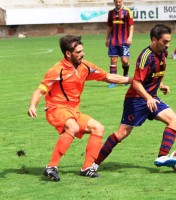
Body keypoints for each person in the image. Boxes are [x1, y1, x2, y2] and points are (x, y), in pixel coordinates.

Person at [27, 35, 132, 182]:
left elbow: (108, 77)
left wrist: (133, 80)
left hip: (73, 111)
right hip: (56, 109)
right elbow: (40, 90)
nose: (82, 54)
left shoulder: (85, 67)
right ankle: (51, 167)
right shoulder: (57, 70)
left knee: (98, 128)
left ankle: (87, 168)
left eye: (82, 50)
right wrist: (32, 105)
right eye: (78, 52)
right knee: (73, 127)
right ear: (68, 54)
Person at [93, 24, 176, 171]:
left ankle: (162, 157)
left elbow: (153, 74)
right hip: (136, 100)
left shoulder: (163, 53)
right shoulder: (145, 57)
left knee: (174, 120)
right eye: (165, 42)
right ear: (154, 40)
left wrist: (161, 85)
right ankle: (94, 163)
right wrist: (148, 98)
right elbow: (136, 82)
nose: (168, 45)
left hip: (151, 98)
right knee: (122, 133)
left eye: (169, 41)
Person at [106, 0, 134, 88]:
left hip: (124, 41)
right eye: (116, 2)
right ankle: (113, 81)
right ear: (114, 2)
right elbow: (109, 26)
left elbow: (131, 25)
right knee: (113, 60)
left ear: (122, 2)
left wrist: (130, 37)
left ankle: (125, 75)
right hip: (113, 41)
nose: (118, 4)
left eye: (119, 2)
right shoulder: (111, 13)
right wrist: (107, 38)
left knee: (125, 61)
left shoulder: (127, 12)